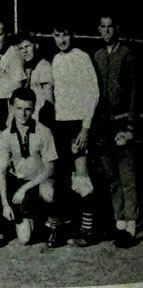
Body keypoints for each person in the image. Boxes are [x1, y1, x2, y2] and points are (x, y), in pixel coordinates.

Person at [51, 20, 100, 247]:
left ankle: (89, 230)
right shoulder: (56, 60)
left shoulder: (82, 57)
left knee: (82, 177)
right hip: (60, 124)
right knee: (62, 178)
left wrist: (85, 128)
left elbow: (93, 93)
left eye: (65, 34)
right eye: (57, 35)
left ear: (72, 34)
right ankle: (61, 228)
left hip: (78, 125)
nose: (62, 40)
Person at [93, 14, 138, 246]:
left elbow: (133, 92)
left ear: (116, 29)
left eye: (111, 27)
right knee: (112, 178)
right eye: (103, 27)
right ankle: (119, 224)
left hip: (121, 122)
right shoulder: (97, 56)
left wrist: (130, 127)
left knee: (127, 176)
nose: (107, 31)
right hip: (103, 125)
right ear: (99, 29)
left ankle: (131, 225)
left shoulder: (127, 54)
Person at [0, 88, 58, 245]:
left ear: (34, 108)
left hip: (40, 181)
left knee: (49, 193)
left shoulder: (44, 131)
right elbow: (1, 171)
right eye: (19, 108)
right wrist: (5, 205)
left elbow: (50, 168)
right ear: (11, 108)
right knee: (25, 239)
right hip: (20, 184)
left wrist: (25, 188)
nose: (23, 114)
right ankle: (33, 221)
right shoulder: (5, 136)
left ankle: (54, 227)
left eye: (28, 109)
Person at [0, 18, 26, 128]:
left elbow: (18, 88)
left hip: (9, 106)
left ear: (6, 34)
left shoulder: (13, 54)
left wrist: (12, 116)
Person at [15, 31, 54, 122]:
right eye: (21, 48)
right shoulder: (28, 68)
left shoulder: (44, 66)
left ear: (36, 45)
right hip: (32, 117)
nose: (24, 51)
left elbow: (49, 99)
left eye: (27, 46)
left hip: (43, 117)